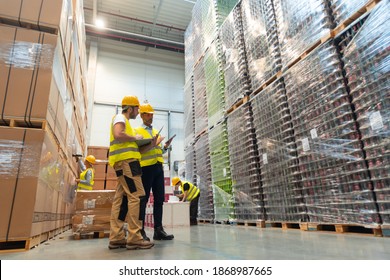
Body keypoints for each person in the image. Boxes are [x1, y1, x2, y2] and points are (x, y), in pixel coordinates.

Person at [107, 95, 157, 250]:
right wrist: (135, 137)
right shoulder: (120, 118)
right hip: (127, 164)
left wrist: (152, 144)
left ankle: (116, 237)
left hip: (127, 163)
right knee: (136, 196)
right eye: (137, 108)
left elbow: (137, 150)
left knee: (120, 199)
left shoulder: (126, 123)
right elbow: (118, 134)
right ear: (130, 108)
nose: (138, 111)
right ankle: (134, 237)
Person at [136, 103, 174, 241]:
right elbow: (139, 150)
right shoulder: (138, 131)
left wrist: (165, 147)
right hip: (146, 168)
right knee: (143, 200)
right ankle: (140, 231)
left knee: (159, 200)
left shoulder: (155, 131)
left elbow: (157, 151)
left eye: (151, 114)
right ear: (141, 115)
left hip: (158, 168)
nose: (150, 116)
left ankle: (158, 230)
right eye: (147, 114)